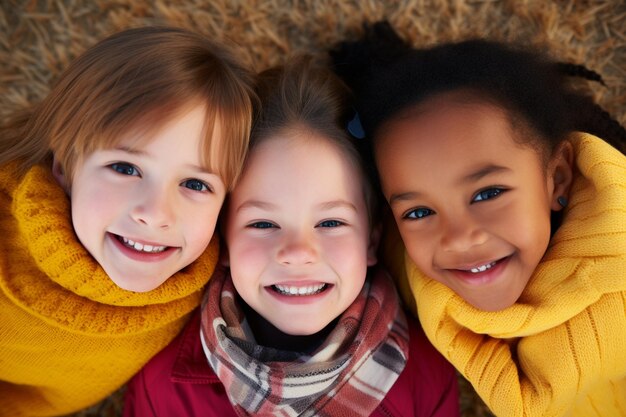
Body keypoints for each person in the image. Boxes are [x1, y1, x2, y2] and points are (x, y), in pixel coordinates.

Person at [123, 57, 460, 417]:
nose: (298, 252)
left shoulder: (426, 377)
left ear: (372, 240)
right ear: (223, 240)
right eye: (263, 224)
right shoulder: (161, 387)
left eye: (330, 223)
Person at [330, 21, 626, 417]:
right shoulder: (404, 274)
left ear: (556, 178)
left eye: (487, 194)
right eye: (418, 212)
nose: (458, 238)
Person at [0, 26, 254, 416]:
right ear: (64, 166)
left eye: (194, 183)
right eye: (125, 167)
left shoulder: (214, 299)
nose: (154, 213)